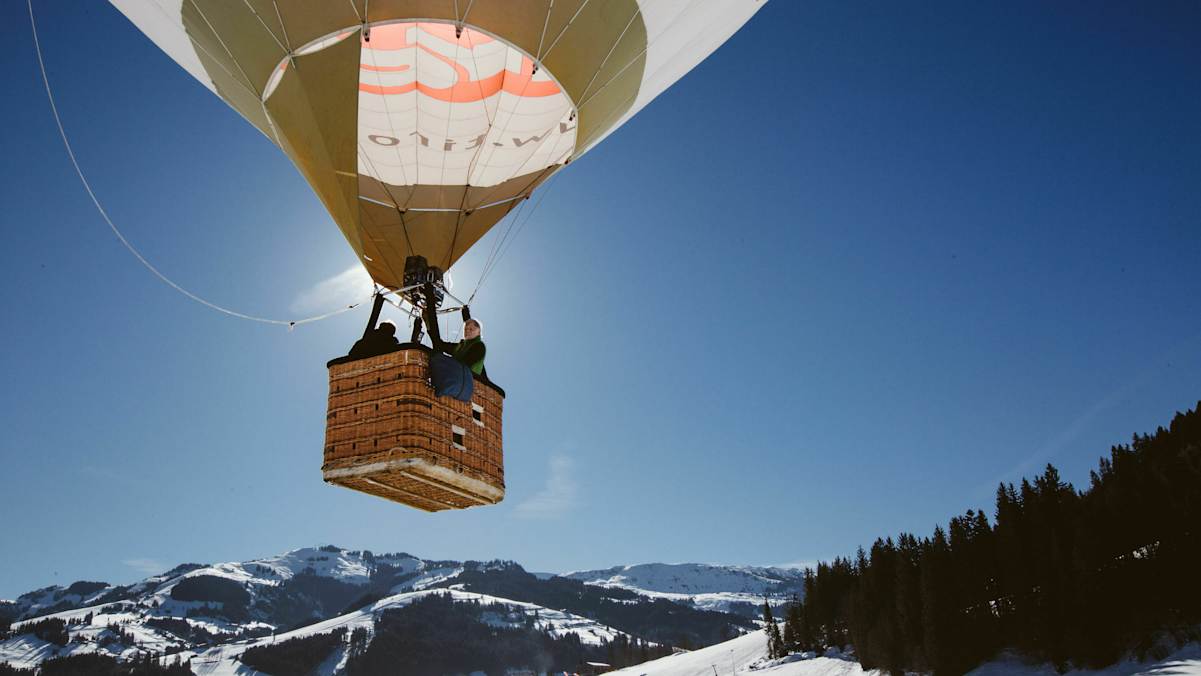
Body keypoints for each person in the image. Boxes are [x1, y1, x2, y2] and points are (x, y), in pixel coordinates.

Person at [423, 291, 486, 377]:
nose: (467, 331)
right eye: (465, 329)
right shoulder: (459, 347)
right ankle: (429, 307)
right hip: (454, 379)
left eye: (471, 329)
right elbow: (439, 344)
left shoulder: (479, 347)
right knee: (437, 346)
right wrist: (429, 321)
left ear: (479, 332)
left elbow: (466, 363)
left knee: (438, 357)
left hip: (466, 381)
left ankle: (429, 295)